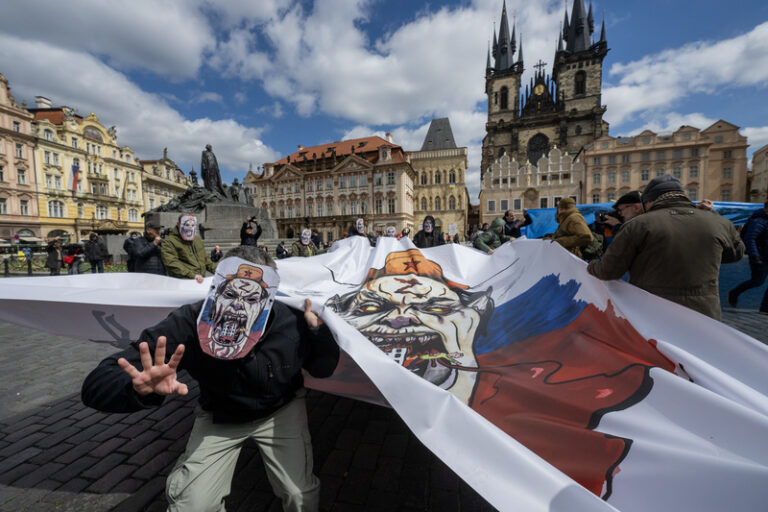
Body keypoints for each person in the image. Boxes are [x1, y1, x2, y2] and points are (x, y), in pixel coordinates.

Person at [81, 245, 340, 512]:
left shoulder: (293, 320)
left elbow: (323, 369)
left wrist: (318, 335)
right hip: (221, 414)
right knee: (192, 505)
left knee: (300, 496)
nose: (237, 306)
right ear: (215, 290)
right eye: (229, 294)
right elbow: (96, 384)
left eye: (252, 299)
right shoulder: (190, 320)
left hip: (280, 410)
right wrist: (138, 388)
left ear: (269, 298)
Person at [587, 175, 744, 320]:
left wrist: (590, 266)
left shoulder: (637, 225)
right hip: (704, 315)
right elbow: (735, 254)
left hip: (653, 312)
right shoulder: (719, 222)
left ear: (648, 201)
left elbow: (608, 270)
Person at [728, 201, 768, 314]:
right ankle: (734, 292)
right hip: (760, 257)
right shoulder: (758, 221)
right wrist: (755, 256)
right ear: (766, 209)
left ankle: (765, 309)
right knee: (757, 281)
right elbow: (750, 239)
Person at [161, 213, 217, 283]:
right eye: (187, 224)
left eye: (193, 225)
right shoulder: (169, 242)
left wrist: (220, 271)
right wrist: (193, 275)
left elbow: (206, 261)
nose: (190, 227)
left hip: (199, 281)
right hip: (182, 283)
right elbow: (172, 263)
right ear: (178, 224)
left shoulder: (197, 240)